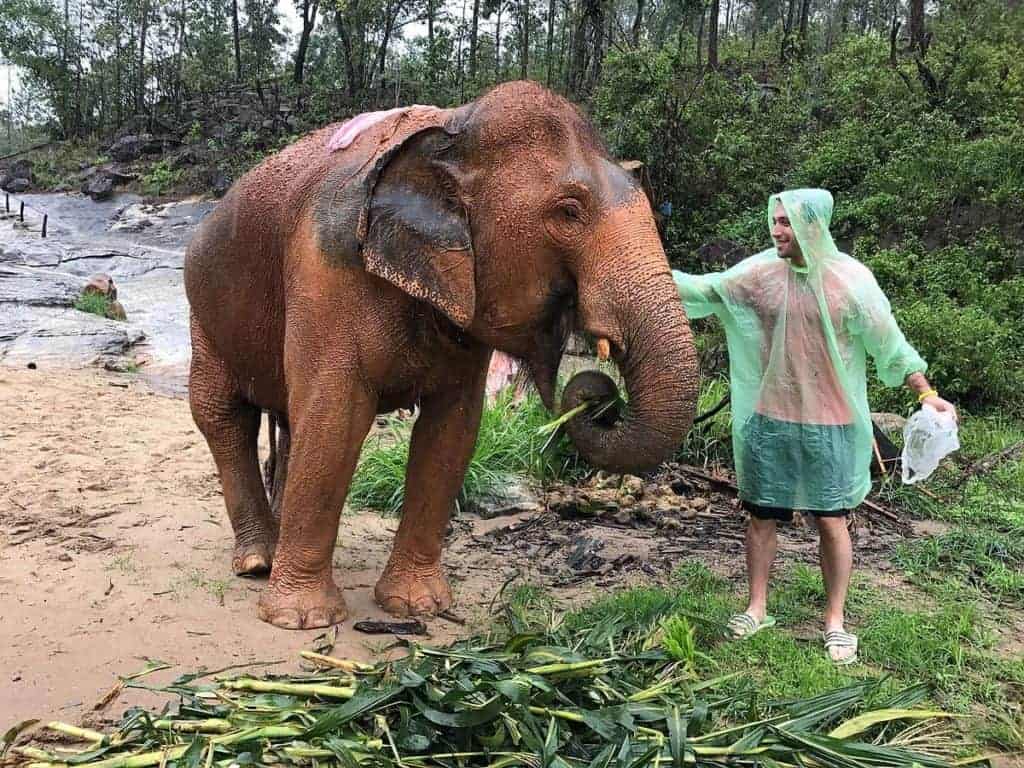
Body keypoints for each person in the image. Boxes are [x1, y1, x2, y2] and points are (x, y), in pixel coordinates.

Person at [673, 188, 957, 665]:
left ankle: (835, 622)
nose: (776, 230)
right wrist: (640, 272)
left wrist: (926, 393)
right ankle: (757, 608)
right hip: (771, 418)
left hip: (831, 423)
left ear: (812, 226)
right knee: (762, 516)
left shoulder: (850, 282)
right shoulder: (762, 273)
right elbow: (707, 290)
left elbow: (891, 345)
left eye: (785, 223)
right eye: (775, 220)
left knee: (831, 519)